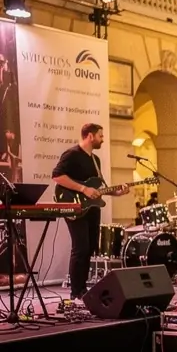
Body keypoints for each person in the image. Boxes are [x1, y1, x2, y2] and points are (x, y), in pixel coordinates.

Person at [51, 123, 129, 300]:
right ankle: (75, 291)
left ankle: (82, 289)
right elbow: (57, 175)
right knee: (80, 247)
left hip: (92, 208)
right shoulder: (72, 154)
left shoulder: (96, 160)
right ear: (90, 136)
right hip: (74, 205)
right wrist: (82, 189)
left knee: (90, 247)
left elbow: (98, 188)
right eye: (100, 136)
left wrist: (117, 192)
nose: (102, 139)